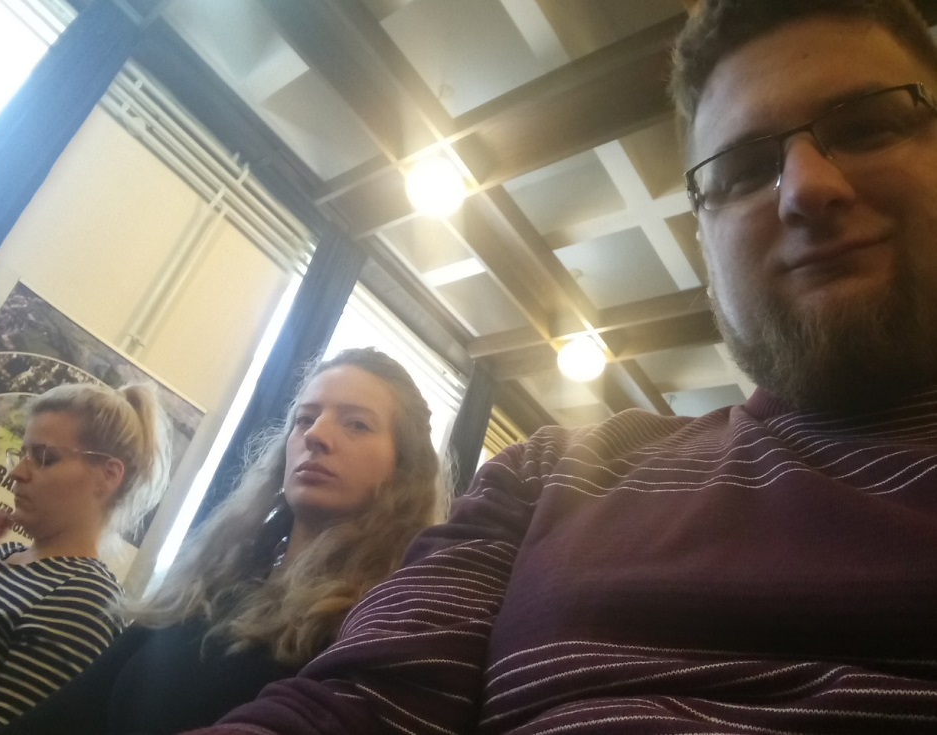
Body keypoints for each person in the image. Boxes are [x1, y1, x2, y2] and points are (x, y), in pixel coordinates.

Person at [174, 2, 937, 734]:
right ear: (704, 245)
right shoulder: (553, 473)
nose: (808, 187)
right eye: (743, 168)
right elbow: (359, 706)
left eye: (868, 127)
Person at [0, 347, 445, 735]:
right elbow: (65, 715)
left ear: (403, 468)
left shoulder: (374, 631)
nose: (316, 435)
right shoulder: (208, 588)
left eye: (357, 425)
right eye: (305, 419)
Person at [0, 381, 171, 734]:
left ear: (108, 476)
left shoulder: (86, 599)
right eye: (22, 453)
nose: (16, 472)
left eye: (44, 457)